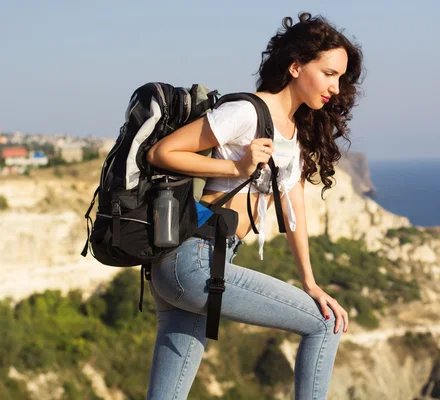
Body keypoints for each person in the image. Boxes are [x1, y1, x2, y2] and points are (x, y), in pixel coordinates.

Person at [144, 12, 363, 400]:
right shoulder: (247, 112)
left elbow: (294, 212)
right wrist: (236, 166)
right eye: (329, 73)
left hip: (204, 261)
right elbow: (163, 152)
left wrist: (310, 282)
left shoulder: (292, 132)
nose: (335, 86)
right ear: (296, 66)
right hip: (193, 258)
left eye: (341, 78)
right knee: (325, 325)